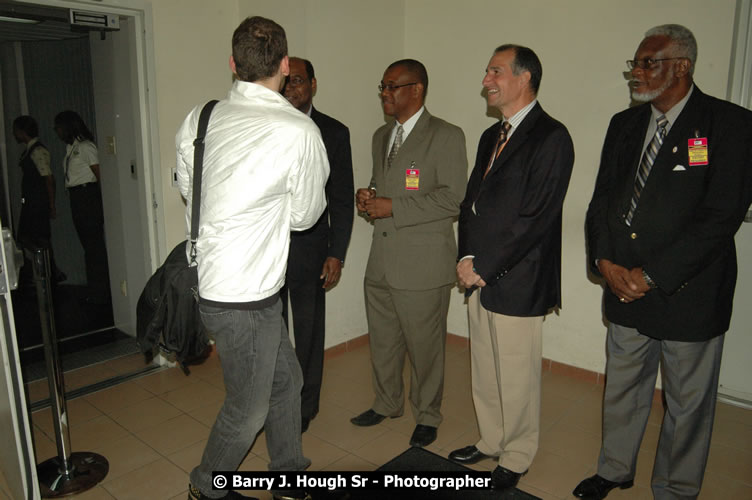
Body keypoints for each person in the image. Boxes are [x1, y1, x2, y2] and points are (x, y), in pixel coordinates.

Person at [574, 24, 752, 500]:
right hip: (623, 286)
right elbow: (601, 204)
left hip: (688, 293)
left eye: (647, 62)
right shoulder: (624, 124)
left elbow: (722, 216)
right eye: (634, 63)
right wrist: (604, 263)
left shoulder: (730, 125)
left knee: (687, 404)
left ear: (682, 66)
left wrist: (652, 275)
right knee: (623, 389)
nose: (636, 72)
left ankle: (675, 489)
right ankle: (614, 469)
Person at [176, 16, 329, 500]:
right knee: (248, 408)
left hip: (213, 282)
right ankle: (207, 486)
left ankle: (288, 472)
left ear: (233, 63)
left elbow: (187, 188)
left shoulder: (200, 116)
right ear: (285, 66)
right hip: (247, 296)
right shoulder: (297, 130)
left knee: (287, 382)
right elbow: (305, 217)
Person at [450, 45, 574, 491]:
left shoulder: (552, 137)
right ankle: (491, 438)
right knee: (484, 367)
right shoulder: (491, 136)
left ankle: (518, 453)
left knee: (517, 376)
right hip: (479, 276)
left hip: (518, 279)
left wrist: (484, 266)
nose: (486, 80)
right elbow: (471, 205)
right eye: (487, 71)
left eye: (495, 71)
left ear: (524, 79)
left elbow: (535, 219)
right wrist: (466, 258)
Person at [353, 59, 467, 448]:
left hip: (423, 265)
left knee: (425, 348)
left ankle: (428, 414)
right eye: (382, 87)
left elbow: (453, 199)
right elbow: (383, 185)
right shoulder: (380, 137)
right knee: (383, 341)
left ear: (416, 90)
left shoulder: (446, 135)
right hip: (381, 262)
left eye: (392, 86)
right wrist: (367, 197)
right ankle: (386, 402)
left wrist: (393, 207)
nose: (385, 93)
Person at [282, 57, 354, 433]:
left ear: (313, 83)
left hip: (312, 248)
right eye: (285, 81)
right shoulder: (267, 125)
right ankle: (275, 402)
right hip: (268, 249)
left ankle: (305, 407)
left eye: (297, 81)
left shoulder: (333, 133)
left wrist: (336, 252)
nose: (290, 88)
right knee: (272, 333)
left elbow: (342, 200)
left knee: (308, 332)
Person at [54, 110, 110, 302]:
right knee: (89, 245)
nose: (57, 131)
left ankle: (100, 290)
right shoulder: (70, 148)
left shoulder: (86, 147)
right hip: (77, 197)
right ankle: (95, 287)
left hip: (88, 196)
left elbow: (100, 174)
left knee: (94, 246)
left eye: (59, 127)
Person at [13, 115, 65, 282]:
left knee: (36, 238)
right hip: (31, 202)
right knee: (32, 238)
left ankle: (49, 269)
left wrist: (51, 205)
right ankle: (47, 269)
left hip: (37, 203)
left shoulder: (37, 150)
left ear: (22, 131)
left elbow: (48, 178)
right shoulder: (30, 150)